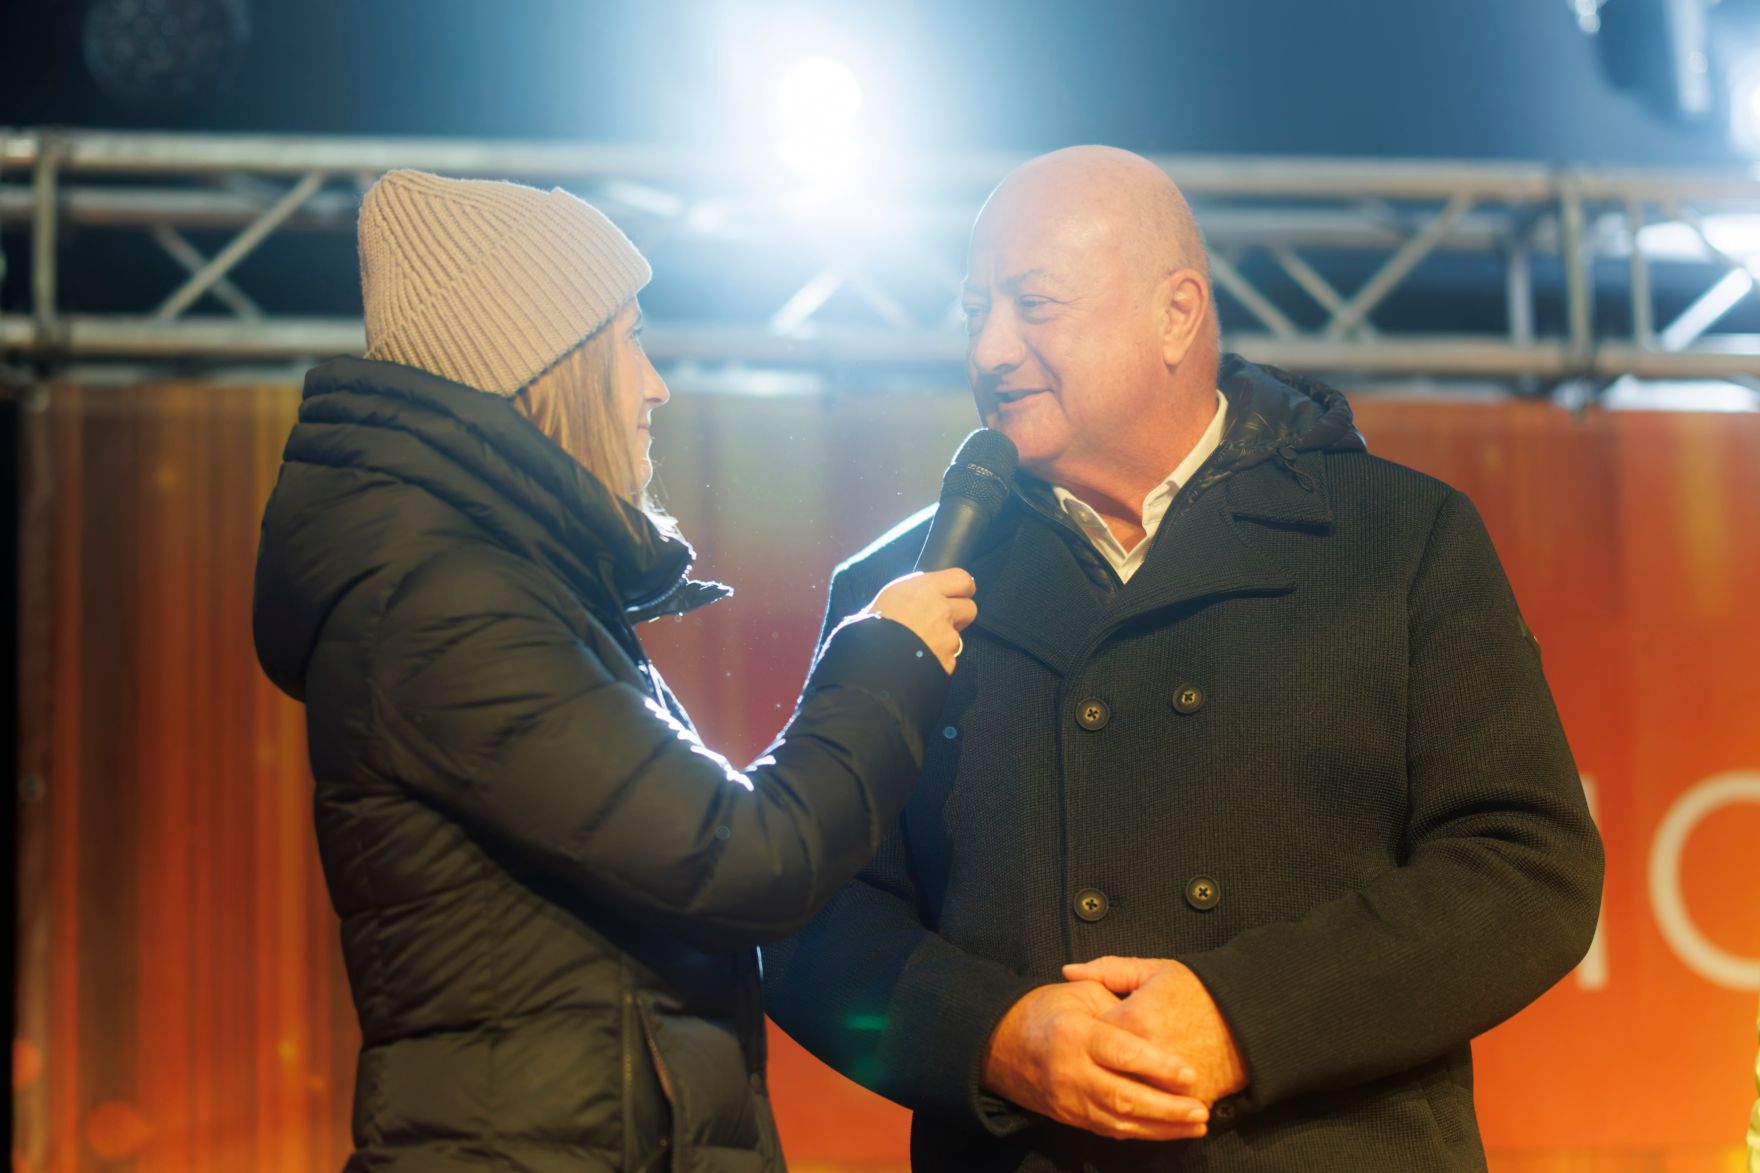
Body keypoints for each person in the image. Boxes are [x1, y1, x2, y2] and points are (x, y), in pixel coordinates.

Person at [761, 146, 1605, 1172]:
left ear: (1175, 313)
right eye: (972, 309)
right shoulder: (899, 586)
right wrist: (991, 1036)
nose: (989, 348)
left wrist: (1245, 1016)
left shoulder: (1393, 539)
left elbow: (1526, 867)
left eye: (1034, 305)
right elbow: (814, 922)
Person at [251, 170, 977, 1173]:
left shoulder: (488, 587)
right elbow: (738, 860)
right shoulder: (446, 605)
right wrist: (883, 660)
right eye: (631, 340)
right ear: (550, 363)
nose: (656, 385)